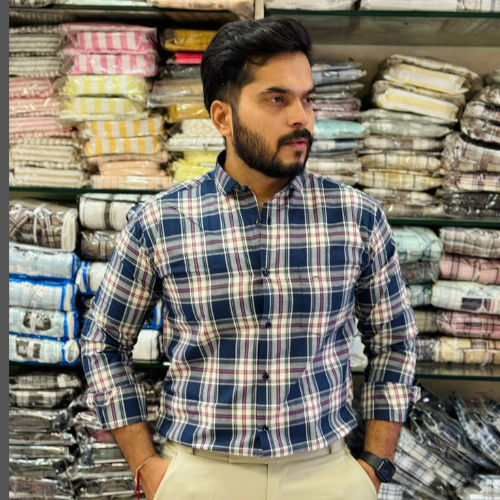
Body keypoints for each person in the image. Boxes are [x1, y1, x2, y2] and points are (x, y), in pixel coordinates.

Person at [81, 17, 420, 500]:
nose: (302, 118)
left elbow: (395, 342)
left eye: (307, 99)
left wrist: (375, 466)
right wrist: (146, 467)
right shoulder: (160, 220)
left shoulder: (357, 217)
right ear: (222, 118)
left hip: (325, 473)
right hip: (199, 475)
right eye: (277, 99)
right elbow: (104, 341)